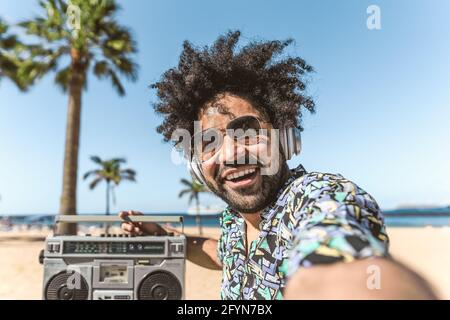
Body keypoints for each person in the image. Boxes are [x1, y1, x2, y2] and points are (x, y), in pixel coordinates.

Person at [120, 31, 436, 300]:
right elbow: (223, 254)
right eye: (209, 143)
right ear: (196, 165)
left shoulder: (319, 197)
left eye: (247, 132)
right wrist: (163, 234)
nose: (231, 155)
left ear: (285, 138)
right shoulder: (234, 220)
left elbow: (335, 258)